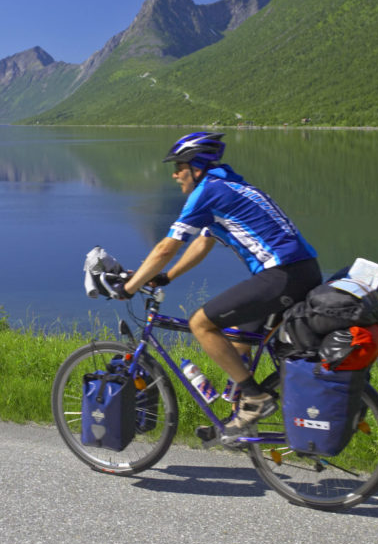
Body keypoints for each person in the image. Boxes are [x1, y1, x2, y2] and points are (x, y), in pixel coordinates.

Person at [119, 131, 321, 435]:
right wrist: (167, 277)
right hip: (303, 271)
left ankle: (256, 399)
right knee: (239, 339)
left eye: (179, 167)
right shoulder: (231, 184)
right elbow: (203, 242)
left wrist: (129, 287)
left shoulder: (207, 191)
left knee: (201, 324)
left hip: (282, 275)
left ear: (196, 168)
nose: (175, 175)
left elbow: (165, 247)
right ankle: (239, 423)